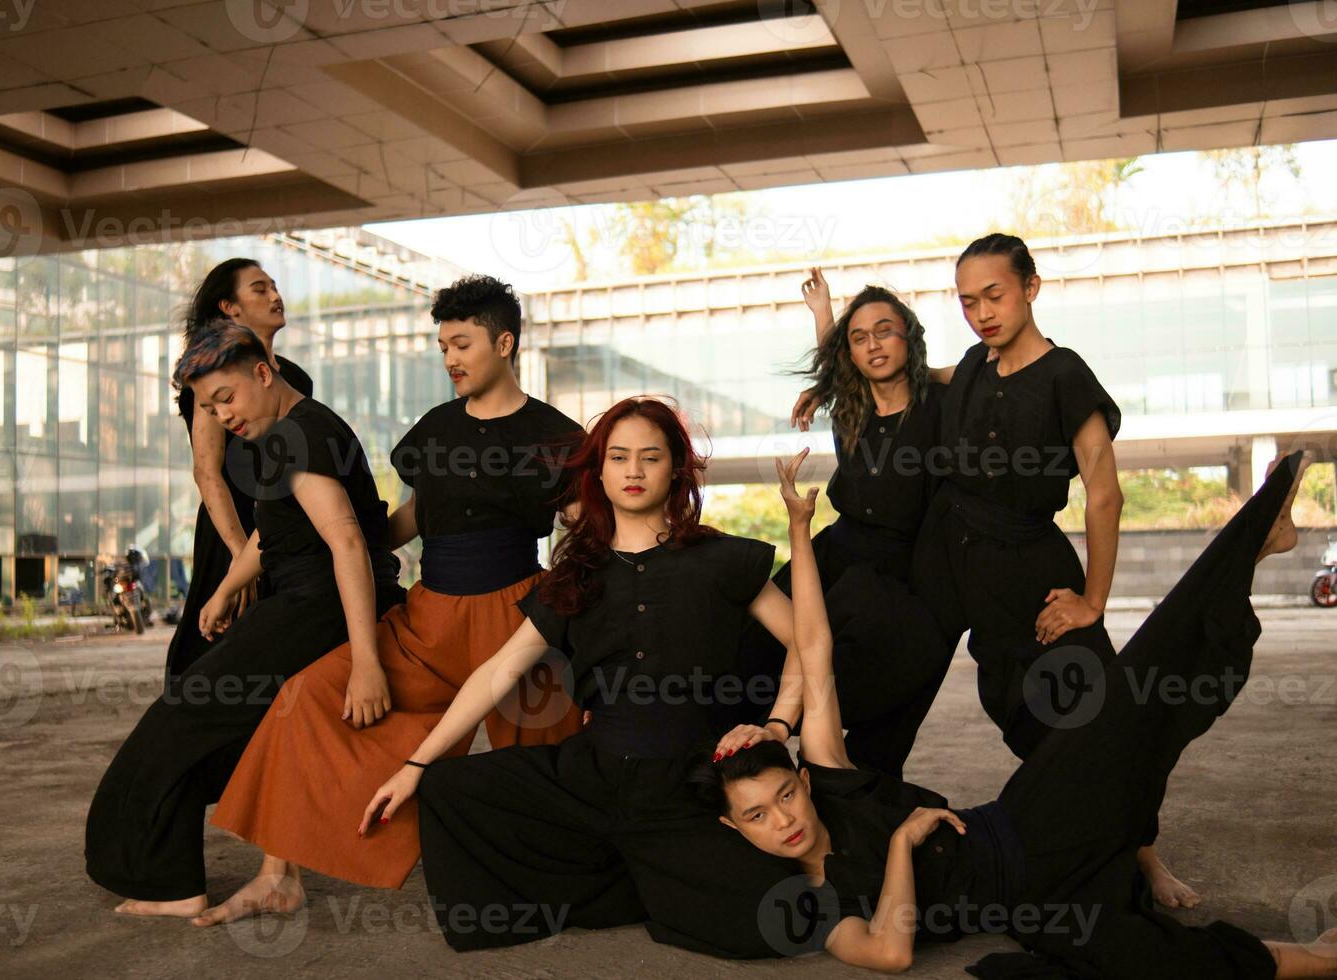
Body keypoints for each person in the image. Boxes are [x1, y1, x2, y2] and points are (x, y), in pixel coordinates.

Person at [698, 447, 1335, 978]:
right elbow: (890, 953)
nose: (782, 819)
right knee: (1141, 961)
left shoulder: (830, 775)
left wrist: (800, 533)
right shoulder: (820, 903)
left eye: (784, 794)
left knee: (1131, 698)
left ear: (802, 780)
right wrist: (900, 842)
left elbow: (814, 646)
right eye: (756, 815)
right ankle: (1313, 957)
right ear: (735, 830)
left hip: (1029, 815)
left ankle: (1250, 546)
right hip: (1037, 901)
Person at [358, 396, 814, 958]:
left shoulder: (719, 558)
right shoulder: (576, 574)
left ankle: (647, 879)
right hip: (594, 773)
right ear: (598, 470)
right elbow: (499, 671)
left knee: (777, 920)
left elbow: (807, 642)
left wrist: (776, 725)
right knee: (451, 789)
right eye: (619, 457)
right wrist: (415, 764)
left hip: (688, 782)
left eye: (650, 457)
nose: (634, 470)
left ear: (675, 468)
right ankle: (632, 881)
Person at [194, 275, 584, 925]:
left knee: (548, 770)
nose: (451, 359)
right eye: (443, 347)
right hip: (430, 617)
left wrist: (568, 602)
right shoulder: (434, 428)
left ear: (505, 343)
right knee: (308, 698)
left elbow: (583, 525)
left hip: (519, 620)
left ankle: (569, 874)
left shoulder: (555, 434)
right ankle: (277, 876)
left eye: (462, 343)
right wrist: (239, 578)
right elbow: (407, 517)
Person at [907, 232, 1193, 908]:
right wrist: (842, 350)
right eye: (968, 301)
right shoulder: (974, 367)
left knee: (1093, 715)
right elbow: (921, 375)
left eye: (995, 295)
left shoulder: (1065, 376)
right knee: (1025, 721)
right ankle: (1089, 854)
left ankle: (1145, 858)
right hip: (970, 572)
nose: (982, 312)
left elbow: (1104, 493)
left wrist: (1094, 599)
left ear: (1031, 287)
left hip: (1037, 572)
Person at [84, 321, 404, 918]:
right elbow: (277, 530)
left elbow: (349, 545)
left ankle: (170, 885)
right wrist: (228, 587)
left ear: (263, 373)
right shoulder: (290, 431)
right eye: (208, 407)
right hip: (302, 598)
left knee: (177, 720)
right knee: (230, 723)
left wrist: (367, 662)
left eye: (225, 398)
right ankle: (265, 875)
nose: (222, 415)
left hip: (317, 607)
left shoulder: (299, 435)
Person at [735, 274, 952, 777]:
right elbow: (839, 363)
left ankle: (852, 783)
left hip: (901, 567)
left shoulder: (940, 408)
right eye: (860, 337)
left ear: (910, 337)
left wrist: (930, 373)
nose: (873, 345)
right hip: (837, 547)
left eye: (885, 331)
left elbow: (981, 370)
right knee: (752, 635)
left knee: (873, 692)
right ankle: (754, 761)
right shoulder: (851, 406)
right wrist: (822, 314)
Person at [166, 258, 313, 680]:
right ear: (230, 307)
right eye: (260, 289)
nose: (275, 295)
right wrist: (239, 557)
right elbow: (206, 472)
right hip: (232, 528)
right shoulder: (214, 376)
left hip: (286, 525)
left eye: (274, 286)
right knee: (213, 647)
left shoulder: (297, 378)